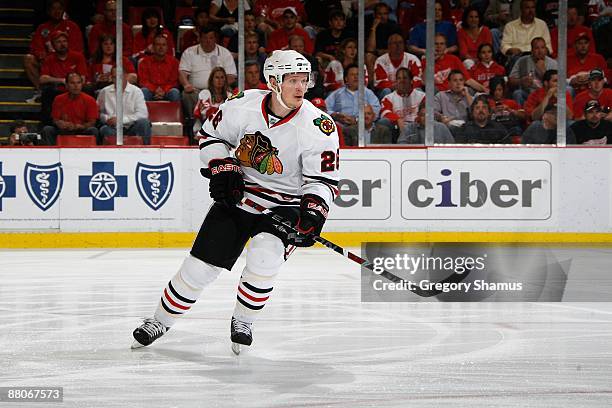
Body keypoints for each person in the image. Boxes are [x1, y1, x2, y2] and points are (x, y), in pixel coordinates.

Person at [130, 50, 340, 354]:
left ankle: (243, 320)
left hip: (285, 205)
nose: (300, 87)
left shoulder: (318, 126)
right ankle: (160, 320)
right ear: (273, 82)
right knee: (199, 268)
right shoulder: (242, 105)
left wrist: (312, 215)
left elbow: (322, 181)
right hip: (241, 195)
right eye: (292, 80)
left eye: (304, 80)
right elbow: (210, 137)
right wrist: (222, 166)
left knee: (264, 256)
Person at [23, 0, 83, 103]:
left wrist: (62, 56)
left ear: (63, 10)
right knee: (28, 58)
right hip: (48, 62)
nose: (57, 11)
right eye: (53, 9)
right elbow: (35, 47)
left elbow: (77, 48)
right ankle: (40, 90)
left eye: (59, 9)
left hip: (67, 61)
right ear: (48, 11)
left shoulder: (72, 26)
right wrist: (43, 56)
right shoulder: (42, 27)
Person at [39, 30, 88, 126]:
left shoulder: (77, 56)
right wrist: (61, 80)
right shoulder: (49, 59)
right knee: (47, 92)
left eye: (64, 41)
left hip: (75, 89)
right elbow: (42, 78)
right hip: (57, 90)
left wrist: (72, 84)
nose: (62, 44)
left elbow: (83, 78)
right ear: (53, 45)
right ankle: (48, 125)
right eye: (58, 42)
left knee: (87, 89)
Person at [41, 72, 99, 145]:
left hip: (81, 129)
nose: (76, 86)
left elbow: (92, 122)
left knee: (93, 130)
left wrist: (78, 126)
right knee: (47, 129)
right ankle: (52, 154)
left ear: (82, 84)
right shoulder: (58, 99)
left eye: (78, 83)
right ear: (67, 85)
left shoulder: (90, 100)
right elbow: (55, 119)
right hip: (64, 130)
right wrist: (59, 123)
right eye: (72, 83)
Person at [97, 68, 151, 145]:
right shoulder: (104, 92)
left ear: (126, 76)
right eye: (114, 77)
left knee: (144, 123)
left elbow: (143, 114)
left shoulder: (136, 91)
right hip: (113, 128)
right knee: (104, 130)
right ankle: (112, 155)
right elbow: (98, 113)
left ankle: (147, 151)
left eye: (120, 77)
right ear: (111, 78)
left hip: (131, 126)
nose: (117, 80)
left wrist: (121, 120)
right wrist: (107, 119)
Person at [422, 33, 486, 93]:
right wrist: (431, 62)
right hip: (437, 94)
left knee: (470, 90)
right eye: (436, 44)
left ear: (445, 46)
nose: (439, 46)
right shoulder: (425, 61)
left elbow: (468, 80)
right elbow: (424, 83)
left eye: (442, 44)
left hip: (455, 92)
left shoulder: (453, 59)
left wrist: (484, 89)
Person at [325, 64, 381, 131]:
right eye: (352, 74)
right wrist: (335, 115)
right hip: (341, 126)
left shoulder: (368, 93)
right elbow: (324, 109)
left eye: (358, 74)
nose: (356, 77)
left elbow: (376, 110)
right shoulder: (337, 94)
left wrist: (357, 120)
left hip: (363, 126)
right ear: (346, 79)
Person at [508, 37, 558, 106]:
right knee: (517, 93)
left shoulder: (553, 63)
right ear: (532, 50)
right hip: (528, 93)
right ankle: (521, 114)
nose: (540, 51)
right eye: (536, 48)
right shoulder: (522, 61)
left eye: (542, 47)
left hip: (547, 95)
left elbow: (557, 84)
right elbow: (510, 80)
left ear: (546, 50)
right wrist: (521, 81)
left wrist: (543, 72)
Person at [373, 33, 422, 98]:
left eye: (400, 42)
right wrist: (399, 87)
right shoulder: (381, 61)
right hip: (390, 90)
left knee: (418, 90)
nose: (398, 45)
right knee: (386, 91)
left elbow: (418, 80)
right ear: (389, 46)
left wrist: (405, 87)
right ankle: (387, 108)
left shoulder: (413, 59)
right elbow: (380, 82)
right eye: (394, 43)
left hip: (409, 89)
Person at [380, 67, 425, 136]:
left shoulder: (422, 96)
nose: (402, 81)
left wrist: (418, 119)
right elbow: (385, 113)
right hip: (397, 128)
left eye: (405, 78)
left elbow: (427, 112)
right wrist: (397, 119)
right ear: (396, 81)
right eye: (399, 78)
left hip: (418, 126)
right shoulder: (388, 98)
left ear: (411, 81)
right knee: (383, 122)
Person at [138, 34, 180, 102]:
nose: (161, 47)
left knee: (175, 93)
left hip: (168, 91)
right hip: (150, 91)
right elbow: (143, 81)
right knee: (143, 91)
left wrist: (163, 90)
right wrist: (155, 89)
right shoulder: (144, 62)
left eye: (163, 45)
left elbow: (174, 81)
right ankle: (143, 113)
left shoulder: (174, 62)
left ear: (167, 47)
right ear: (153, 47)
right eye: (158, 44)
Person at [192, 66, 233, 134]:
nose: (219, 80)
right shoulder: (205, 94)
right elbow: (205, 114)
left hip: (224, 130)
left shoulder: (229, 96)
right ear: (212, 80)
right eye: (217, 77)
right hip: (205, 128)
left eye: (222, 77)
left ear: (225, 80)